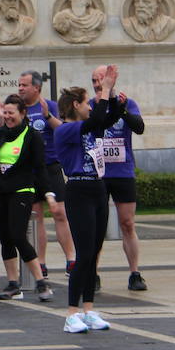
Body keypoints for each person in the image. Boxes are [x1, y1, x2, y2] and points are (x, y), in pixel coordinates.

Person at [54, 66, 127, 333]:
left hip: (98, 188)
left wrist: (118, 102)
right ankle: (71, 313)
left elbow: (105, 121)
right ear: (76, 105)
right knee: (83, 255)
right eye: (86, 102)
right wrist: (104, 90)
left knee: (93, 254)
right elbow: (96, 120)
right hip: (78, 191)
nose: (90, 105)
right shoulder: (65, 130)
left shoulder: (89, 127)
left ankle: (88, 309)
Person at [0, 95, 57, 301]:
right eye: (5, 113)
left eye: (12, 113)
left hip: (22, 191)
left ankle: (41, 282)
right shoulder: (0, 134)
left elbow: (41, 169)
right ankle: (13, 283)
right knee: (5, 238)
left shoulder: (33, 136)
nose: (8, 117)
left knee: (18, 236)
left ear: (22, 114)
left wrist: (49, 194)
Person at [16, 70, 76, 275]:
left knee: (60, 213)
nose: (21, 88)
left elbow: (63, 131)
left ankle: (71, 258)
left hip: (51, 167)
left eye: (24, 85)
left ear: (37, 88)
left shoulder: (50, 106)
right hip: (30, 171)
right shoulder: (19, 109)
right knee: (36, 216)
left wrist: (48, 117)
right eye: (19, 85)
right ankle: (41, 262)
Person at [95, 68, 148, 291]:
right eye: (94, 80)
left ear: (111, 80)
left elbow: (140, 128)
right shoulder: (91, 105)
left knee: (127, 223)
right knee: (96, 226)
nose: (97, 83)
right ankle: (92, 272)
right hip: (98, 172)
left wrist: (122, 110)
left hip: (122, 171)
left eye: (101, 79)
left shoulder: (127, 103)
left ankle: (134, 273)